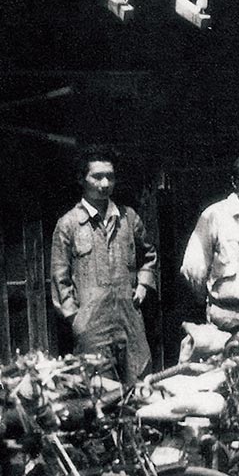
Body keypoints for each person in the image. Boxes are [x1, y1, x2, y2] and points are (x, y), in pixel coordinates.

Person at [50, 145, 157, 384]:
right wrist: (77, 319)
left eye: (110, 176)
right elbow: (60, 279)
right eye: (97, 176)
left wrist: (143, 286)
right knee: (98, 393)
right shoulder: (68, 225)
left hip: (130, 324)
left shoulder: (128, 219)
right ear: (82, 179)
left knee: (140, 385)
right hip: (92, 329)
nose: (105, 183)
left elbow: (149, 256)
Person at [179, 151, 239, 333]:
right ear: (234, 182)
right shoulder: (214, 215)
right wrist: (212, 303)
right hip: (225, 314)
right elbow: (192, 268)